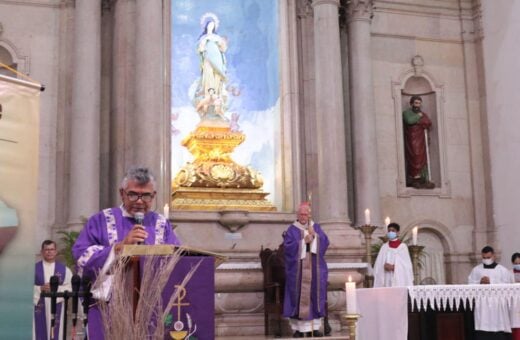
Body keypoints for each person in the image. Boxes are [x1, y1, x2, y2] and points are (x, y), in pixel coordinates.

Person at [72, 167, 181, 340]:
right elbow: (82, 254)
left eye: (146, 196)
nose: (139, 201)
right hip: (109, 305)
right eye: (133, 194)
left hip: (151, 304)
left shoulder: (161, 224)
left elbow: (177, 258)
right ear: (122, 193)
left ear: (153, 196)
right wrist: (119, 248)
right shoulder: (101, 220)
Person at [283, 202, 329, 338]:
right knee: (298, 296)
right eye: (301, 214)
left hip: (315, 266)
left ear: (309, 214)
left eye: (305, 214)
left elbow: (325, 243)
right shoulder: (292, 229)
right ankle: (298, 329)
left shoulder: (316, 227)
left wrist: (315, 237)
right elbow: (287, 248)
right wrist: (303, 242)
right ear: (297, 215)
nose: (303, 216)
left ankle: (315, 327)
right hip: (298, 269)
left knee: (315, 294)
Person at [33, 239, 73, 340]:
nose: (49, 252)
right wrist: (40, 288)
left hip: (57, 305)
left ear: (56, 251)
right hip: (39, 306)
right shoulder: (33, 269)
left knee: (56, 334)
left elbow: (70, 287)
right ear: (42, 252)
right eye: (46, 249)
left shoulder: (64, 270)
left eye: (52, 249)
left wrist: (55, 289)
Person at [196, 13, 228, 113]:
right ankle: (209, 99)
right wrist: (205, 42)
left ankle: (216, 101)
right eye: (209, 25)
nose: (211, 27)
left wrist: (218, 42)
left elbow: (223, 48)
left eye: (213, 25)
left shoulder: (217, 38)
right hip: (208, 62)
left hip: (217, 61)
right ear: (205, 26)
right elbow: (200, 49)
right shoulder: (203, 38)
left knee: (217, 79)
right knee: (208, 79)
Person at [403, 95, 435, 189]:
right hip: (412, 138)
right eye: (416, 103)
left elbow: (428, 122)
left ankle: (423, 179)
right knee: (415, 155)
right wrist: (418, 118)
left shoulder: (422, 113)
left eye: (419, 103)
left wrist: (417, 121)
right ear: (412, 103)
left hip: (421, 139)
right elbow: (409, 120)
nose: (418, 105)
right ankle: (413, 178)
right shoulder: (407, 113)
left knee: (422, 157)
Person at [373, 222, 414, 287]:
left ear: (397, 232)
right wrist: (383, 266)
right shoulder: (384, 247)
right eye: (389, 231)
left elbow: (407, 266)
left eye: (393, 231)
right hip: (386, 277)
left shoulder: (403, 247)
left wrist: (394, 267)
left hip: (398, 278)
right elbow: (378, 264)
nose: (390, 233)